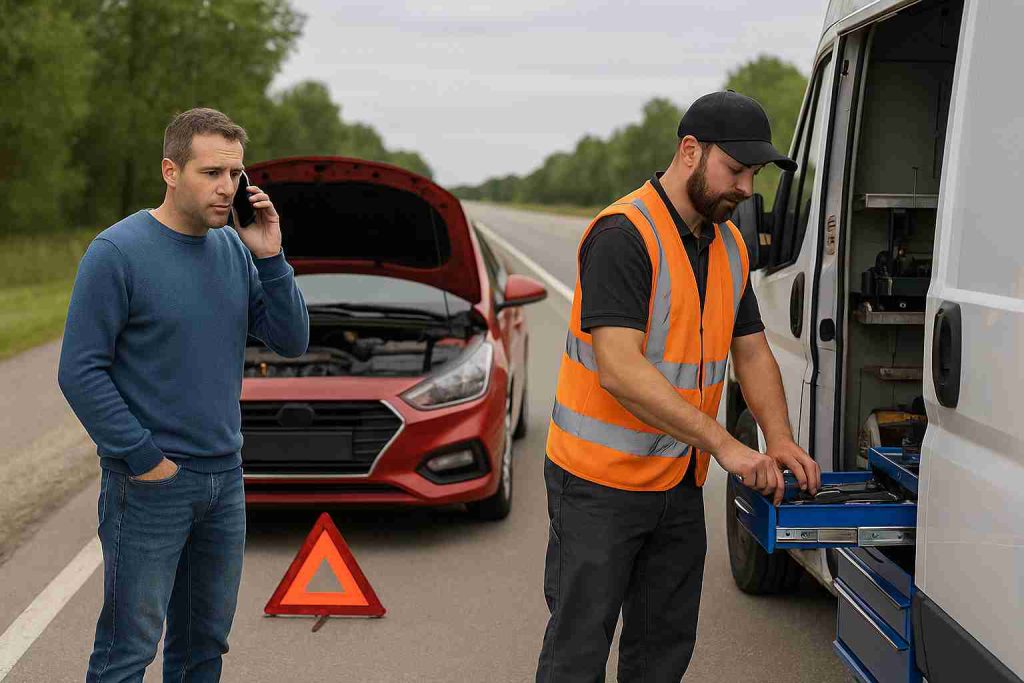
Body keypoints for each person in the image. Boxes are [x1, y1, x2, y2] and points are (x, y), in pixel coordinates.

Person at [536, 91, 822, 682]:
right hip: (597, 486)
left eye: (754, 174)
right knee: (578, 653)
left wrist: (780, 436)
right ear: (690, 151)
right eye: (735, 170)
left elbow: (752, 351)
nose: (745, 187)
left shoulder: (729, 246)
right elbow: (619, 368)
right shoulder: (623, 235)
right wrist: (726, 444)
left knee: (662, 654)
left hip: (676, 484)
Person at [57, 107, 309, 682]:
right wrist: (146, 461)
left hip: (225, 482)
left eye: (235, 174)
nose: (227, 188)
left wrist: (271, 257)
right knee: (128, 650)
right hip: (150, 487)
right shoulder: (117, 252)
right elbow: (80, 371)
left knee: (204, 648)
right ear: (170, 171)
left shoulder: (237, 251)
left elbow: (292, 340)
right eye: (211, 173)